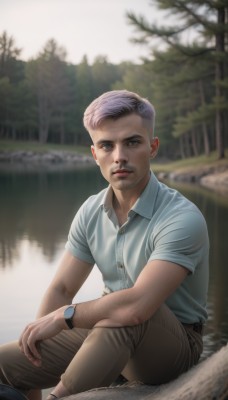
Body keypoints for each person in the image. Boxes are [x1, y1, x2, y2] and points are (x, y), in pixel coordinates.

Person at [0, 90, 209, 400]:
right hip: (108, 331)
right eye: (107, 145)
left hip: (171, 347)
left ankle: (60, 396)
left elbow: (137, 308)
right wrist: (34, 348)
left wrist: (62, 318)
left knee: (129, 311)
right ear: (94, 154)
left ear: (152, 147)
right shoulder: (91, 211)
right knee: (5, 364)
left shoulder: (182, 217)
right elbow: (60, 289)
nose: (119, 156)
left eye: (132, 142)